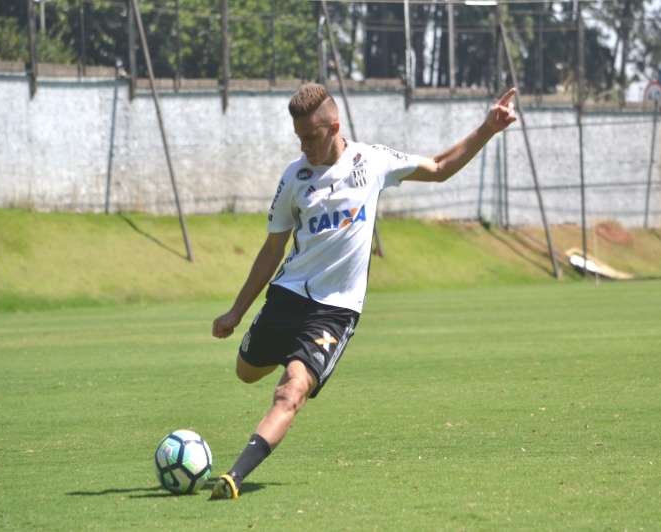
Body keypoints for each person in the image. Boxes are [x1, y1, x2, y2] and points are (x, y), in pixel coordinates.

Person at [209, 82, 518, 500]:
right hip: (287, 296)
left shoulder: (372, 161)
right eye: (298, 138)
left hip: (334, 311)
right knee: (246, 372)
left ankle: (235, 476)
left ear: (334, 126)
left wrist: (487, 129)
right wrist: (235, 312)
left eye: (311, 137)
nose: (304, 147)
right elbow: (272, 249)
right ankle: (289, 353)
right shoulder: (294, 177)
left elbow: (440, 166)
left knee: (291, 391)